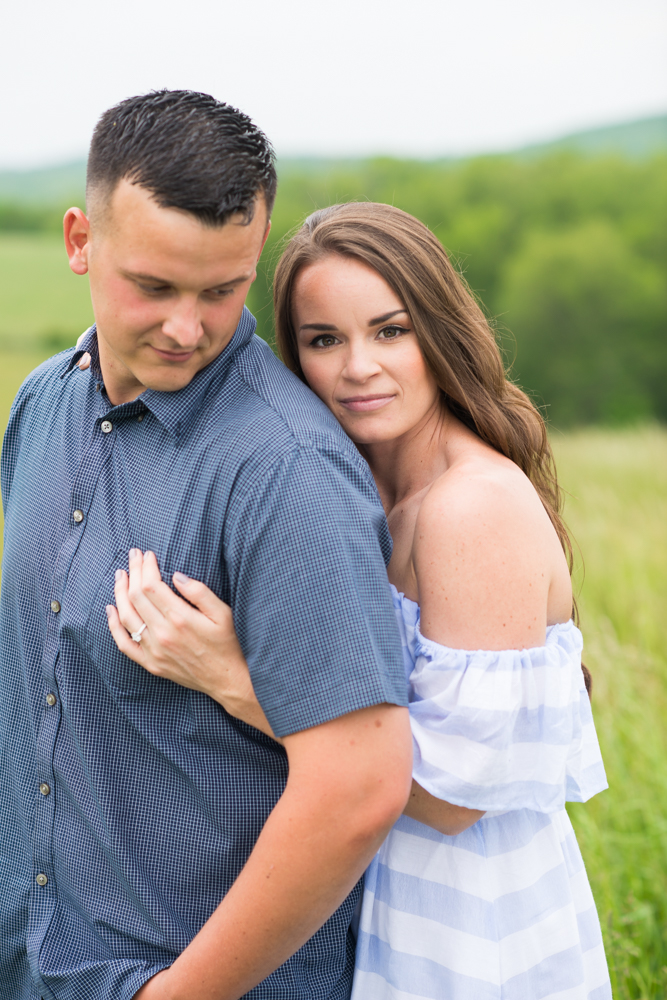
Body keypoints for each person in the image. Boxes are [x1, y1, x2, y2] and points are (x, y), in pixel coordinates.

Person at [110, 203, 612, 1000]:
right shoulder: (356, 490)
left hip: (465, 934)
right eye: (323, 340)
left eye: (390, 331)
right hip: (365, 906)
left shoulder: (470, 507)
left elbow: (452, 804)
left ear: (439, 331)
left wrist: (237, 681)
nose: (357, 368)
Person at [0, 96, 415, 1000]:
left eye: (222, 290)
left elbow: (360, 785)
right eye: (154, 287)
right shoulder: (39, 405)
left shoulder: (288, 470)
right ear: (80, 242)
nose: (188, 328)